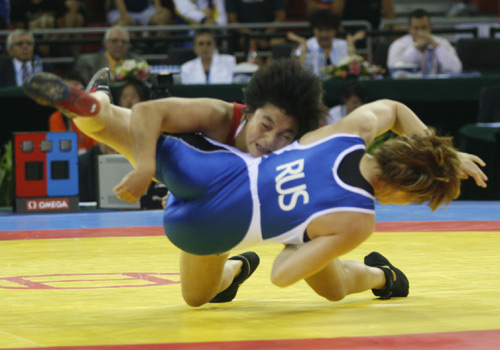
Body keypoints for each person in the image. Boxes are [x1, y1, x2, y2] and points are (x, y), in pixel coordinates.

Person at [24, 71, 488, 307]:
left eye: (284, 134)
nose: (271, 139)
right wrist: (302, 238)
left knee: (196, 298)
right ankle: (383, 278)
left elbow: (392, 106)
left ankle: (96, 106)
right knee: (330, 286)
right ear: (406, 191)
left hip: (216, 174)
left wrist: (441, 152)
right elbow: (283, 274)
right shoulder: (357, 221)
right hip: (220, 222)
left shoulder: (345, 132)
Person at [287, 10, 363, 77]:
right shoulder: (306, 45)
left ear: (335, 30)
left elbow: (353, 70)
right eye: (320, 30)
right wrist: (303, 46)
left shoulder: (344, 45)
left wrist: (351, 44)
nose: (324, 35)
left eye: (328, 30)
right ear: (313, 30)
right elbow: (298, 72)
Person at [387, 9, 463, 76]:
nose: (421, 33)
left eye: (424, 27)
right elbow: (394, 70)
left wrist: (436, 46)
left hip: (437, 87)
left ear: (431, 27)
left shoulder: (442, 43)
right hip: (408, 87)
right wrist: (415, 48)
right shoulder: (398, 45)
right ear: (409, 29)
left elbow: (456, 69)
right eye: (416, 28)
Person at [73, 25, 145, 84]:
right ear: (105, 43)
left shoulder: (137, 62)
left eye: (124, 42)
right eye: (115, 41)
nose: (120, 45)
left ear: (128, 45)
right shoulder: (88, 62)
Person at [48, 70, 98, 154]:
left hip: (94, 159)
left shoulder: (94, 114)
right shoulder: (56, 118)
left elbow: (98, 145)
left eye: (76, 85)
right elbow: (62, 146)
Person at [331, 0, 396, 31]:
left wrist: (380, 34)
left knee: (397, 28)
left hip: (374, 32)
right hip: (348, 31)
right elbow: (335, 17)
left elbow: (390, 16)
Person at [106, 0, 171, 26]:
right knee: (122, 23)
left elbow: (158, 7)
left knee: (164, 15)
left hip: (145, 10)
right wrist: (124, 14)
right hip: (121, 11)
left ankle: (159, 46)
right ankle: (133, 46)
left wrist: (158, 7)